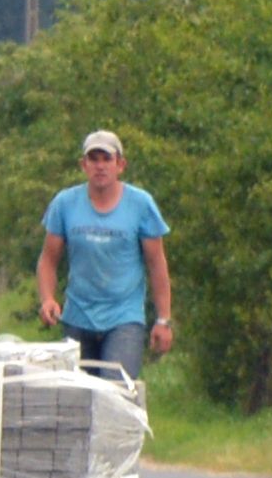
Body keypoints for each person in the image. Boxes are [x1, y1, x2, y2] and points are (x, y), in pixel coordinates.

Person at [37, 129, 173, 379]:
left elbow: (156, 264)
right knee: (79, 400)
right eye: (94, 159)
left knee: (114, 395)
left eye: (107, 159)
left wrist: (163, 319)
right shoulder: (65, 204)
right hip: (78, 315)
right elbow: (48, 259)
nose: (100, 166)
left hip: (124, 317)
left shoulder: (141, 204)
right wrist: (47, 298)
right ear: (84, 165)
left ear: (120, 165)